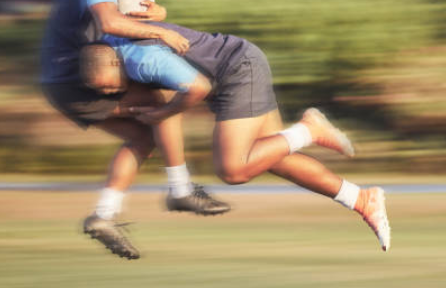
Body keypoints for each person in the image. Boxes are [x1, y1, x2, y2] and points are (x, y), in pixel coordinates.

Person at [85, 18, 391, 252]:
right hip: (240, 64)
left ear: (113, 60)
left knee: (232, 169)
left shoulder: (138, 59)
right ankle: (361, 198)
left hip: (237, 71)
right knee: (271, 157)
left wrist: (163, 114)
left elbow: (198, 87)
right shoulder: (115, 37)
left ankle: (309, 129)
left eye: (109, 84)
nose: (112, 92)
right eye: (105, 92)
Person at [41, 0, 230, 260]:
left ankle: (104, 216)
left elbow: (117, 13)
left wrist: (158, 14)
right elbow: (110, 23)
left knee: (144, 136)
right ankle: (181, 190)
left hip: (61, 82)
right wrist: (162, 32)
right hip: (74, 79)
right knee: (161, 104)